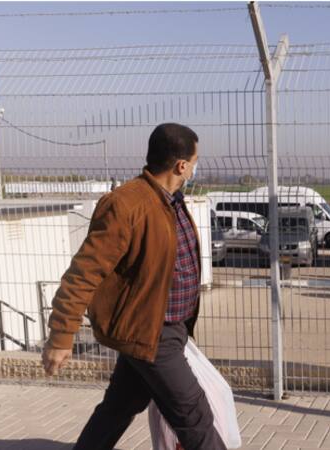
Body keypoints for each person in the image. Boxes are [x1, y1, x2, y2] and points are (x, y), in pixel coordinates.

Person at [41, 123, 227, 450]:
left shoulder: (172, 201)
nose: (196, 167)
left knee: (119, 408)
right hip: (153, 333)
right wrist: (61, 334)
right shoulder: (125, 204)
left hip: (164, 328)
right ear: (181, 165)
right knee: (193, 414)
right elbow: (83, 272)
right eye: (195, 161)